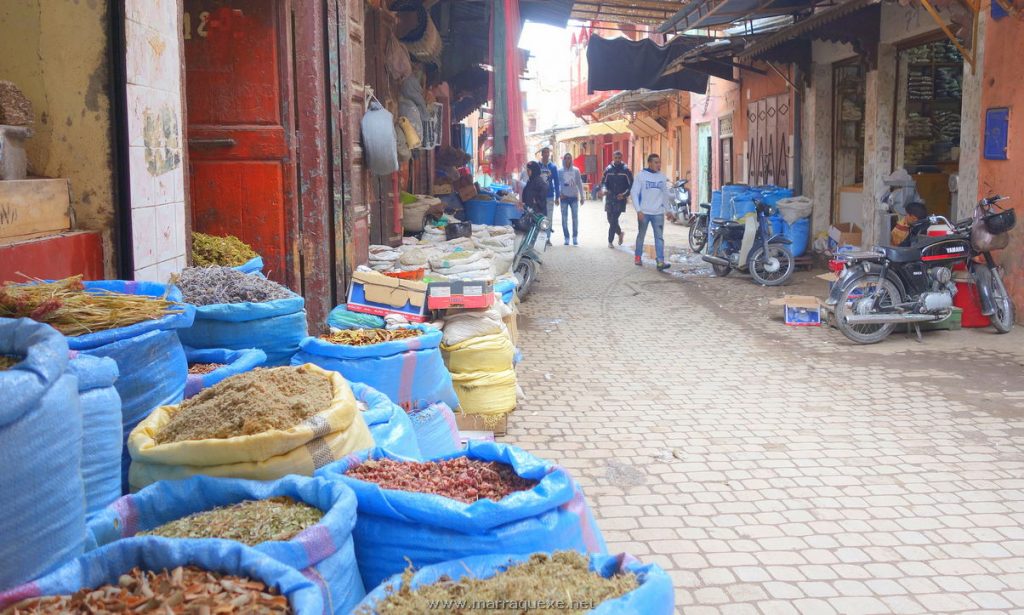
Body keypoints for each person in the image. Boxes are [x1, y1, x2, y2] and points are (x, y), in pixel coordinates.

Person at [629, 153, 673, 271]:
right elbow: (634, 193)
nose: (658, 165)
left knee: (659, 237)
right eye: (656, 162)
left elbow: (665, 195)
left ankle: (660, 261)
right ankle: (638, 257)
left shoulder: (662, 177)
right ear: (649, 163)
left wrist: (668, 210)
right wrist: (638, 210)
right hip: (644, 212)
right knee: (641, 235)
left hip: (658, 213)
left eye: (659, 162)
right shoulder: (641, 176)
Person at [600, 151, 633, 249]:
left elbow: (631, 185)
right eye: (616, 157)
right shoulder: (608, 170)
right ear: (613, 158)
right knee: (610, 219)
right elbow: (603, 183)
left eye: (619, 157)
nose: (617, 159)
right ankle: (620, 233)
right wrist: (604, 189)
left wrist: (624, 195)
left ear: (621, 158)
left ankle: (610, 241)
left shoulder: (626, 170)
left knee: (614, 219)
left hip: (620, 199)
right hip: (610, 198)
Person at [558, 153, 585, 245]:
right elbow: (557, 184)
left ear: (571, 159)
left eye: (569, 158)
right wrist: (558, 195)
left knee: (575, 218)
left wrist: (582, 196)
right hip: (564, 198)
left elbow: (579, 184)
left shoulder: (576, 170)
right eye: (566, 158)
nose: (567, 160)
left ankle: (575, 237)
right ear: (563, 159)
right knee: (564, 219)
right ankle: (566, 237)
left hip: (574, 197)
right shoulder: (560, 171)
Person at [538, 147, 559, 247]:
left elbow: (557, 182)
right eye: (544, 153)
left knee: (549, 218)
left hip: (550, 196)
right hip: (539, 196)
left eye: (548, 152)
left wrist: (557, 196)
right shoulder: (538, 166)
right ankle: (539, 238)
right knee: (540, 217)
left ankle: (547, 238)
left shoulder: (553, 167)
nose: (546, 154)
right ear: (542, 154)